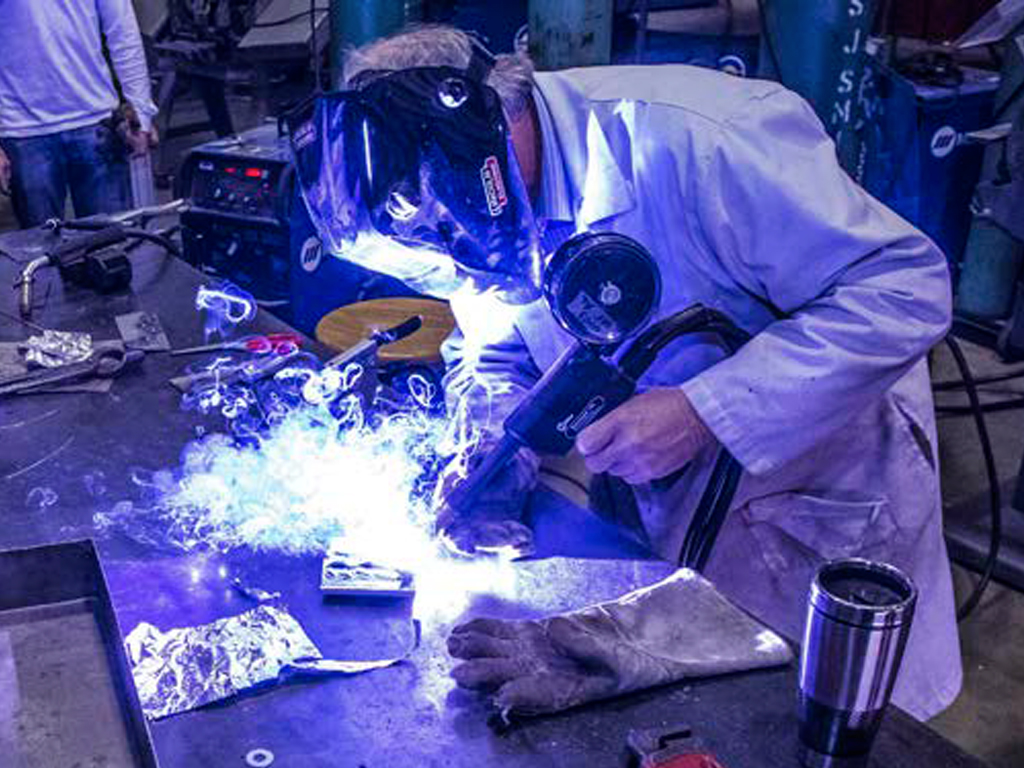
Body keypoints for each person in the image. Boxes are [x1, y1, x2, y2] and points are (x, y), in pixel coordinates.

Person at [290, 25, 960, 720]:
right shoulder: (466, 203)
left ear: (478, 137)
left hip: (816, 495)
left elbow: (904, 288)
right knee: (705, 724)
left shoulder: (703, 140)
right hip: (665, 508)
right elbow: (494, 346)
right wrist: (493, 438)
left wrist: (706, 410)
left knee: (832, 728)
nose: (459, 265)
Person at [0, 0, 158, 228]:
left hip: (97, 125)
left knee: (111, 250)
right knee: (41, 253)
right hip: (24, 132)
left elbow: (123, 32)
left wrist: (141, 113)